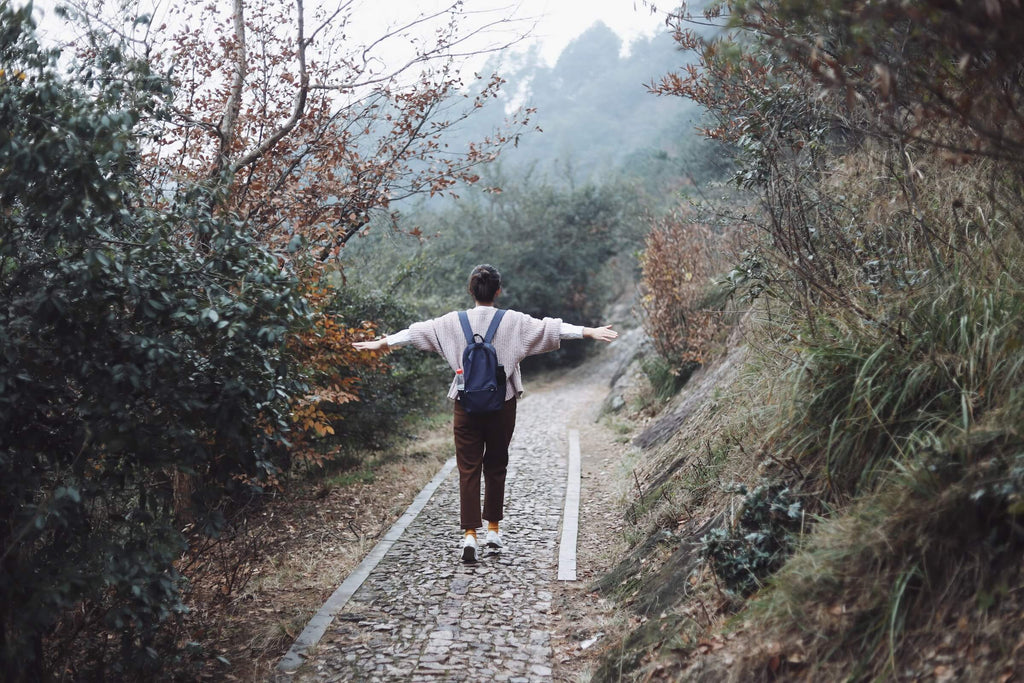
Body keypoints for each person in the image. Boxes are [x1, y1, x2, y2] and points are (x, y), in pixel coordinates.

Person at [352, 264, 617, 563]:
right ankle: (493, 529)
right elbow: (551, 328)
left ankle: (469, 536)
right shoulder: (514, 321)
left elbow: (414, 333)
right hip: (502, 404)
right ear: (498, 291)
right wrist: (589, 332)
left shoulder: (451, 322)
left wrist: (382, 343)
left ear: (470, 290)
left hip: (465, 405)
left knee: (468, 469)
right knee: (496, 464)